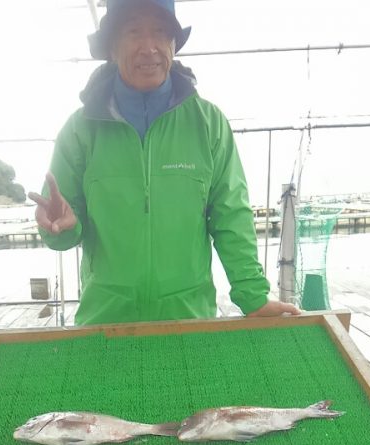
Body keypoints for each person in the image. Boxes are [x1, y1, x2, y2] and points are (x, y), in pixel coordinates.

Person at [30, 0, 299, 325]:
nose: (149, 47)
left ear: (173, 44)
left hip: (188, 318)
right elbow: (61, 228)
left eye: (160, 32)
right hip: (104, 321)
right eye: (133, 32)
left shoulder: (208, 123)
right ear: (113, 48)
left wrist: (254, 297)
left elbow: (232, 217)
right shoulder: (80, 129)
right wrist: (61, 229)